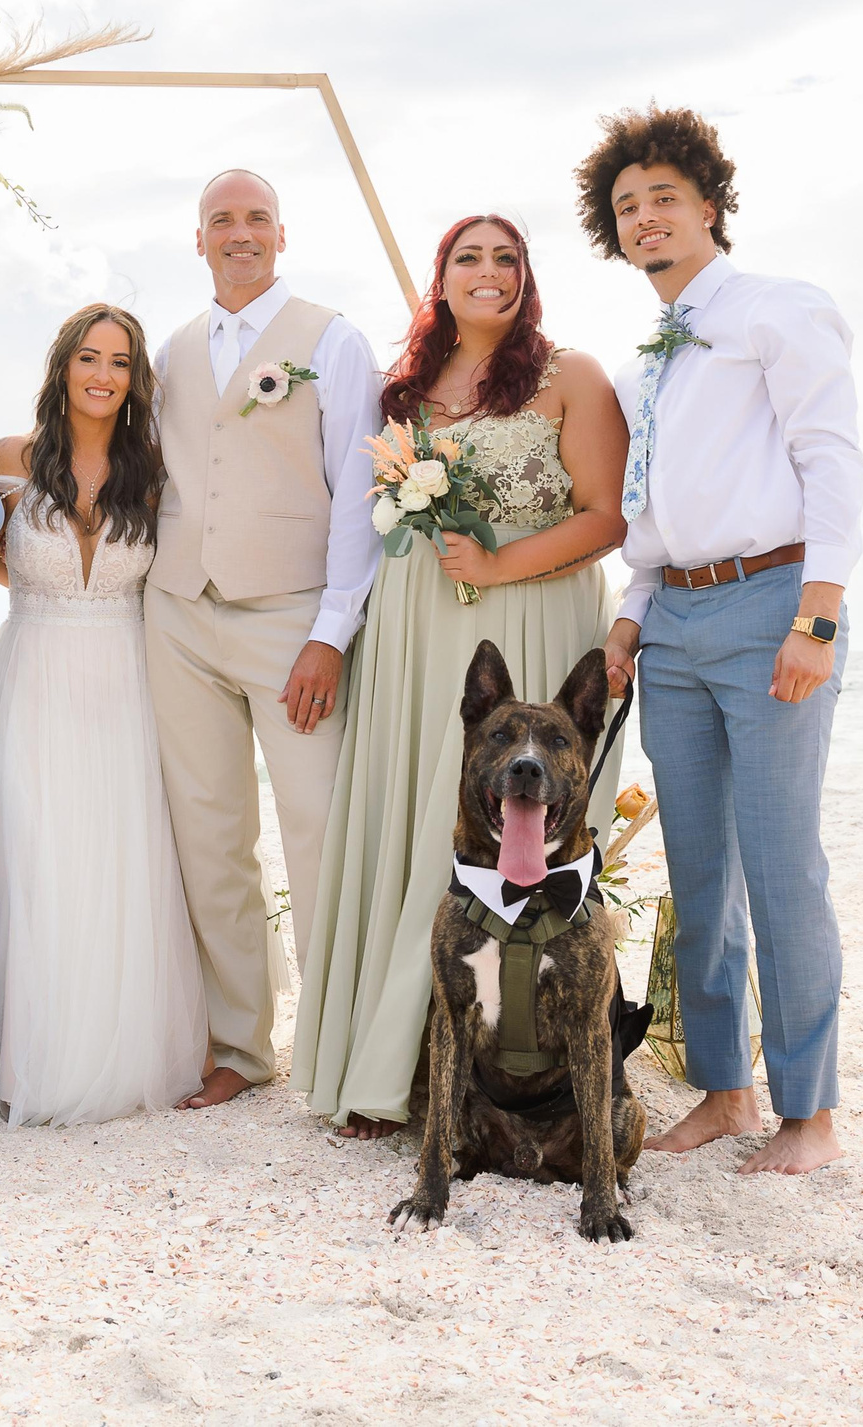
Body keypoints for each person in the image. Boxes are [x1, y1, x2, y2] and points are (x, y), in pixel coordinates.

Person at [293, 214, 630, 1138]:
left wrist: (496, 566)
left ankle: (528, 1067)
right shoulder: (406, 389)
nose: (489, 272)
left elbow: (608, 517)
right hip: (417, 626)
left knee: (522, 821)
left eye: (506, 258)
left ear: (527, 276)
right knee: (412, 822)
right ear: (439, 278)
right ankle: (391, 1063)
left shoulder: (572, 376)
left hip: (530, 608)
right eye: (468, 258)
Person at [577, 105, 863, 1176]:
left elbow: (832, 460)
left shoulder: (776, 309)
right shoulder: (644, 363)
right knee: (699, 872)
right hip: (675, 624)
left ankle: (809, 1113)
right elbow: (654, 515)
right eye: (626, 206)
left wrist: (816, 616)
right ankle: (725, 1090)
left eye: (663, 196)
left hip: (772, 602)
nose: (645, 217)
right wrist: (628, 619)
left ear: (708, 204)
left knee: (783, 867)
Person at [145, 169, 384, 1108]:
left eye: (256, 219)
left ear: (282, 235)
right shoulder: (170, 351)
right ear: (199, 238)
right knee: (209, 836)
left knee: (319, 830)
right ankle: (240, 1045)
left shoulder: (333, 340)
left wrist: (333, 630)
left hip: (293, 617)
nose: (238, 233)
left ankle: (339, 1049)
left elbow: (359, 496)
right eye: (221, 220)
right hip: (178, 613)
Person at [0, 305, 210, 1125]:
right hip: (33, 669)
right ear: (63, 365)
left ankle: (118, 1048)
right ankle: (29, 1053)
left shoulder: (154, 471)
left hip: (125, 676)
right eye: (88, 357)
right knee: (32, 851)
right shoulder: (10, 458)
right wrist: (41, 590)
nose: (103, 375)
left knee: (118, 855)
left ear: (136, 378)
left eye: (119, 361)